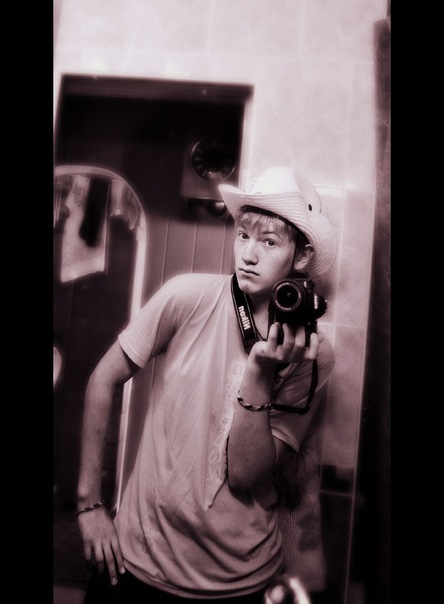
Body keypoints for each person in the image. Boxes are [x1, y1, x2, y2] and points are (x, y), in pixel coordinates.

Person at [76, 165, 337, 603]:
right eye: (243, 235)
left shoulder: (313, 356)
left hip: (236, 580)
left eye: (269, 242)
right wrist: (89, 504)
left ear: (301, 255)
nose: (248, 255)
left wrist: (260, 372)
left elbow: (246, 475)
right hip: (136, 559)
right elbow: (103, 378)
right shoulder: (185, 297)